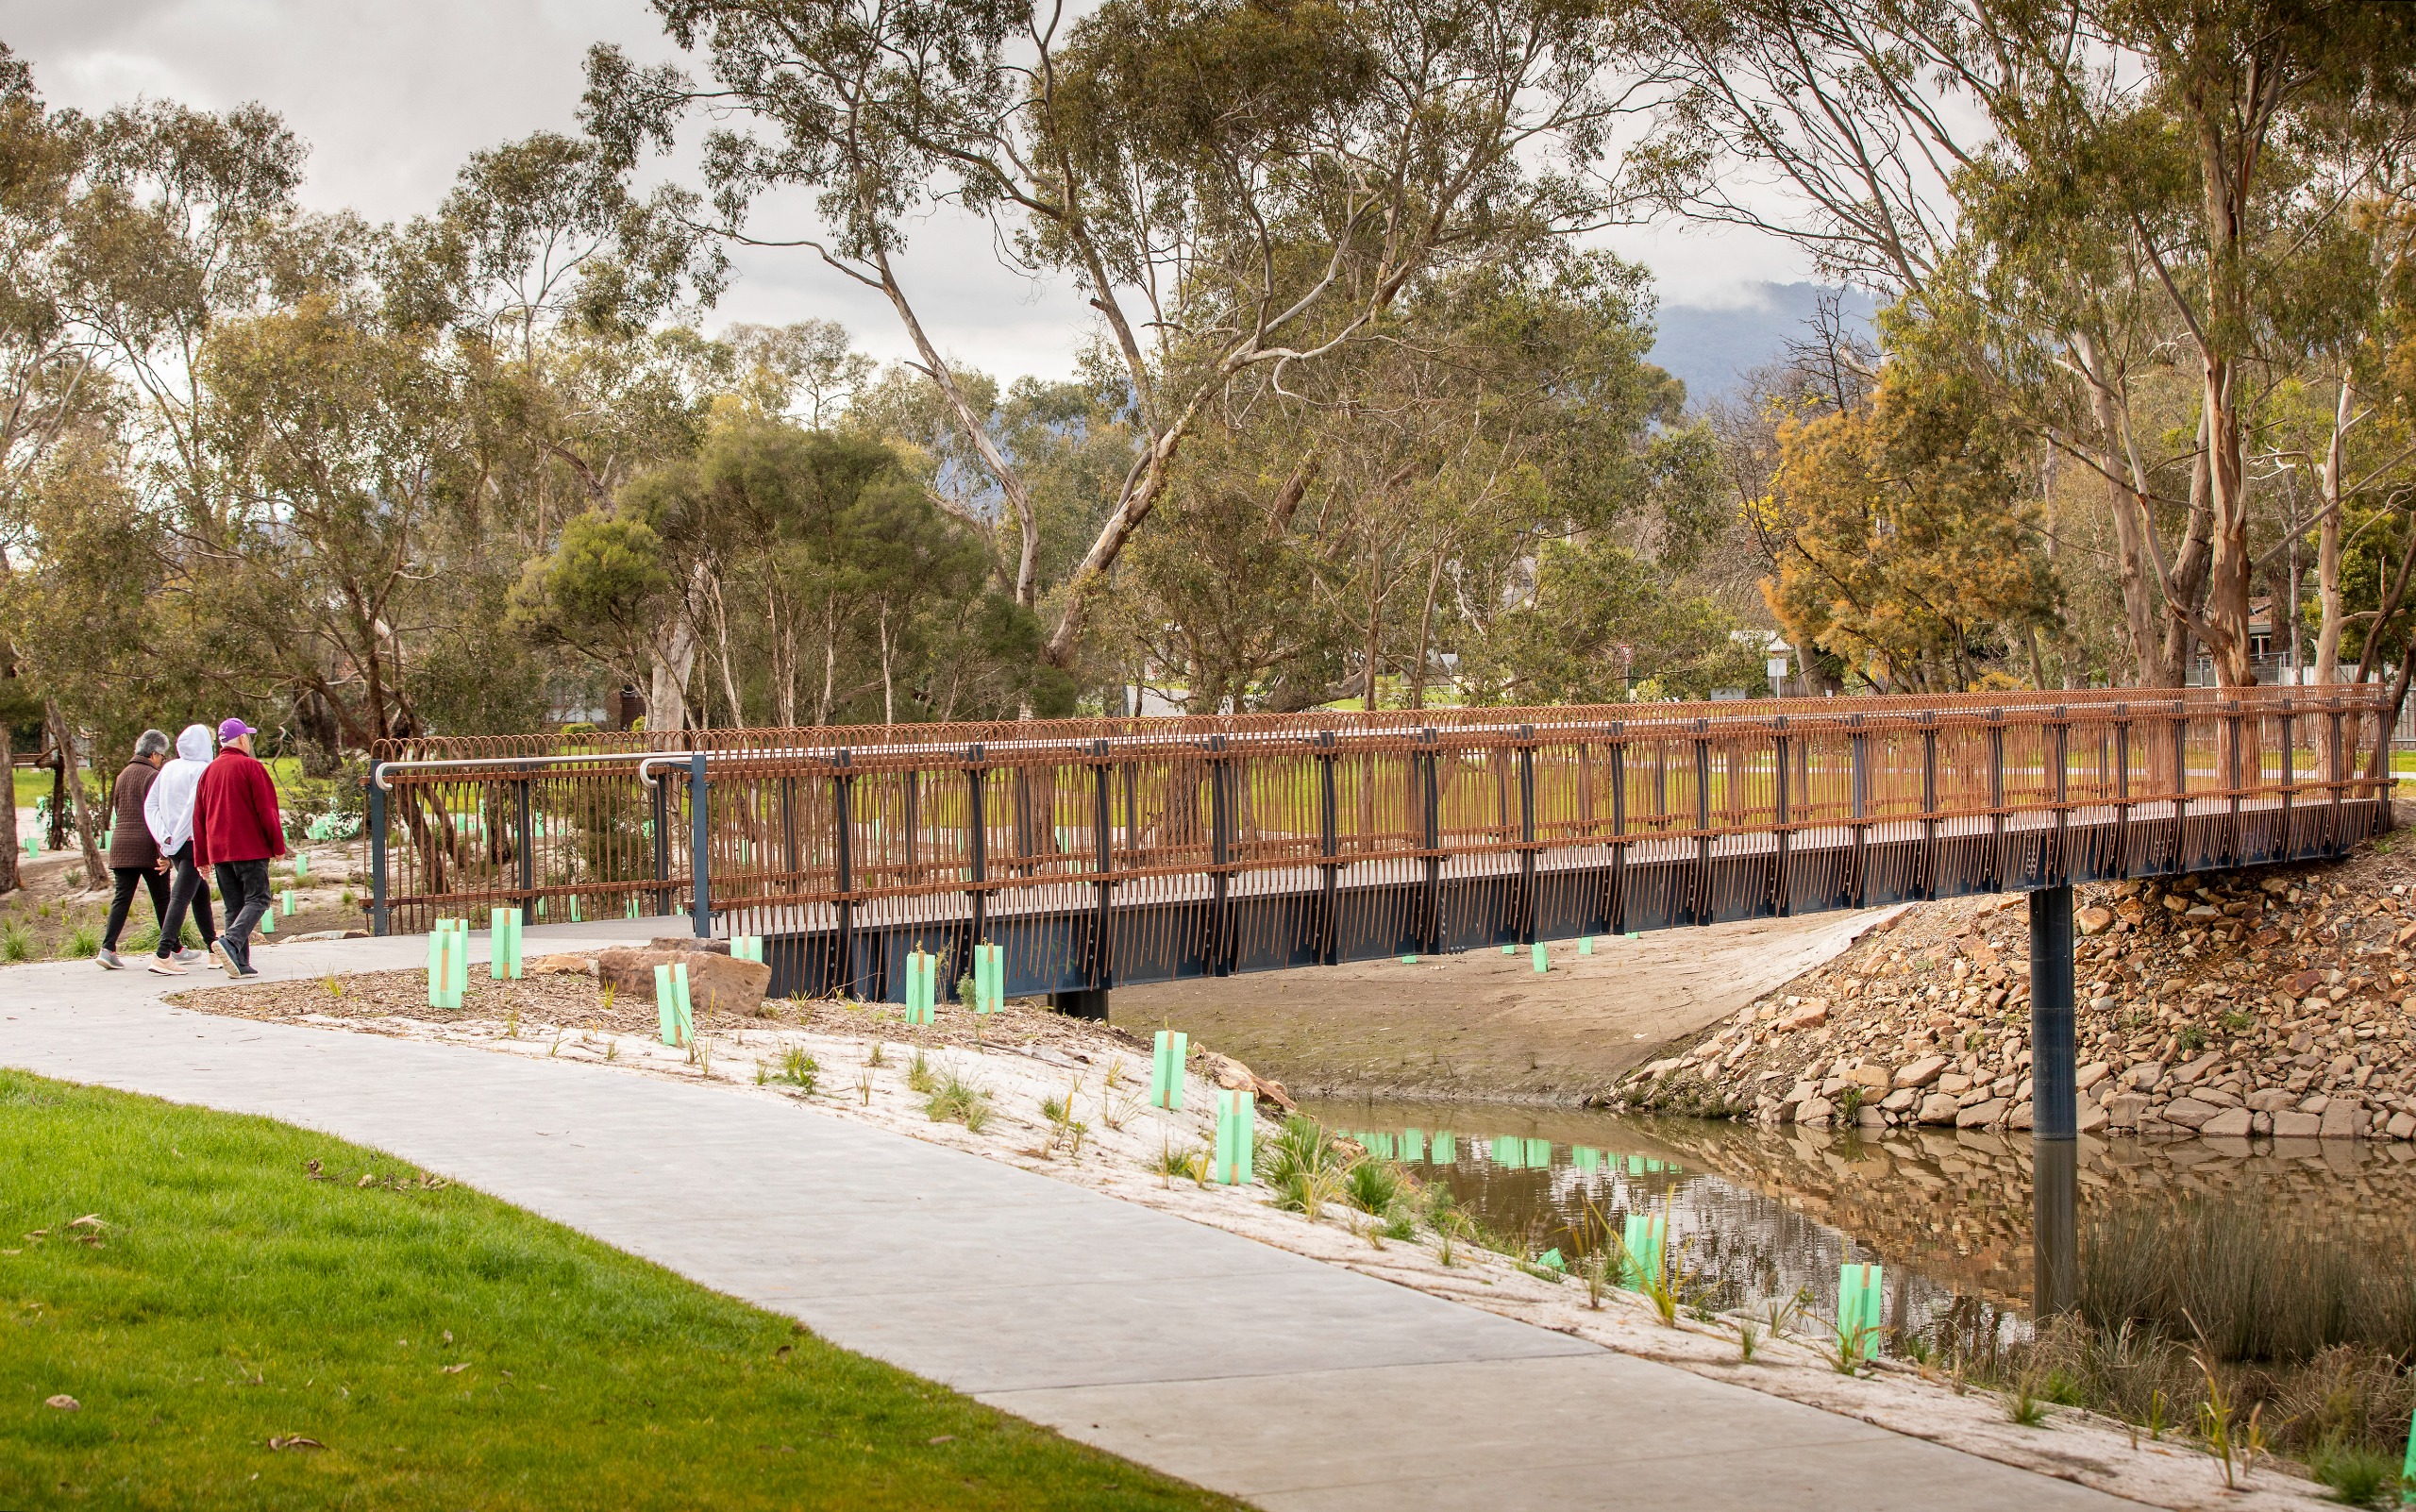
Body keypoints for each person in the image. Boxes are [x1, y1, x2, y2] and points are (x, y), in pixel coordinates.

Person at [191, 717, 283, 979]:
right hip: (250, 847)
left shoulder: (208, 772)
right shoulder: (251, 767)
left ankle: (239, 963)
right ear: (242, 739)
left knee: (234, 906)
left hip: (219, 851)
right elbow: (267, 811)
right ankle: (230, 942)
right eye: (248, 737)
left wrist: (201, 857)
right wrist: (277, 844)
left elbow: (198, 817)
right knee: (259, 898)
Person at [141, 723, 221, 975]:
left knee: (200, 894)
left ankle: (213, 950)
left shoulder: (169, 767)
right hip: (191, 843)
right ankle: (163, 955)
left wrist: (163, 836)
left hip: (172, 843)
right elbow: (193, 810)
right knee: (181, 896)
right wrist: (178, 838)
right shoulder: (203, 769)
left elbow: (150, 804)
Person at [97, 731, 174, 970]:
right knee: (162, 898)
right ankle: (174, 949)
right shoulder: (153, 776)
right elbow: (157, 816)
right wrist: (164, 853)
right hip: (147, 846)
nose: (162, 760)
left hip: (121, 845)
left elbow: (120, 809)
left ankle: (107, 949)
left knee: (122, 898)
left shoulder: (122, 775)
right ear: (153, 754)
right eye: (161, 755)